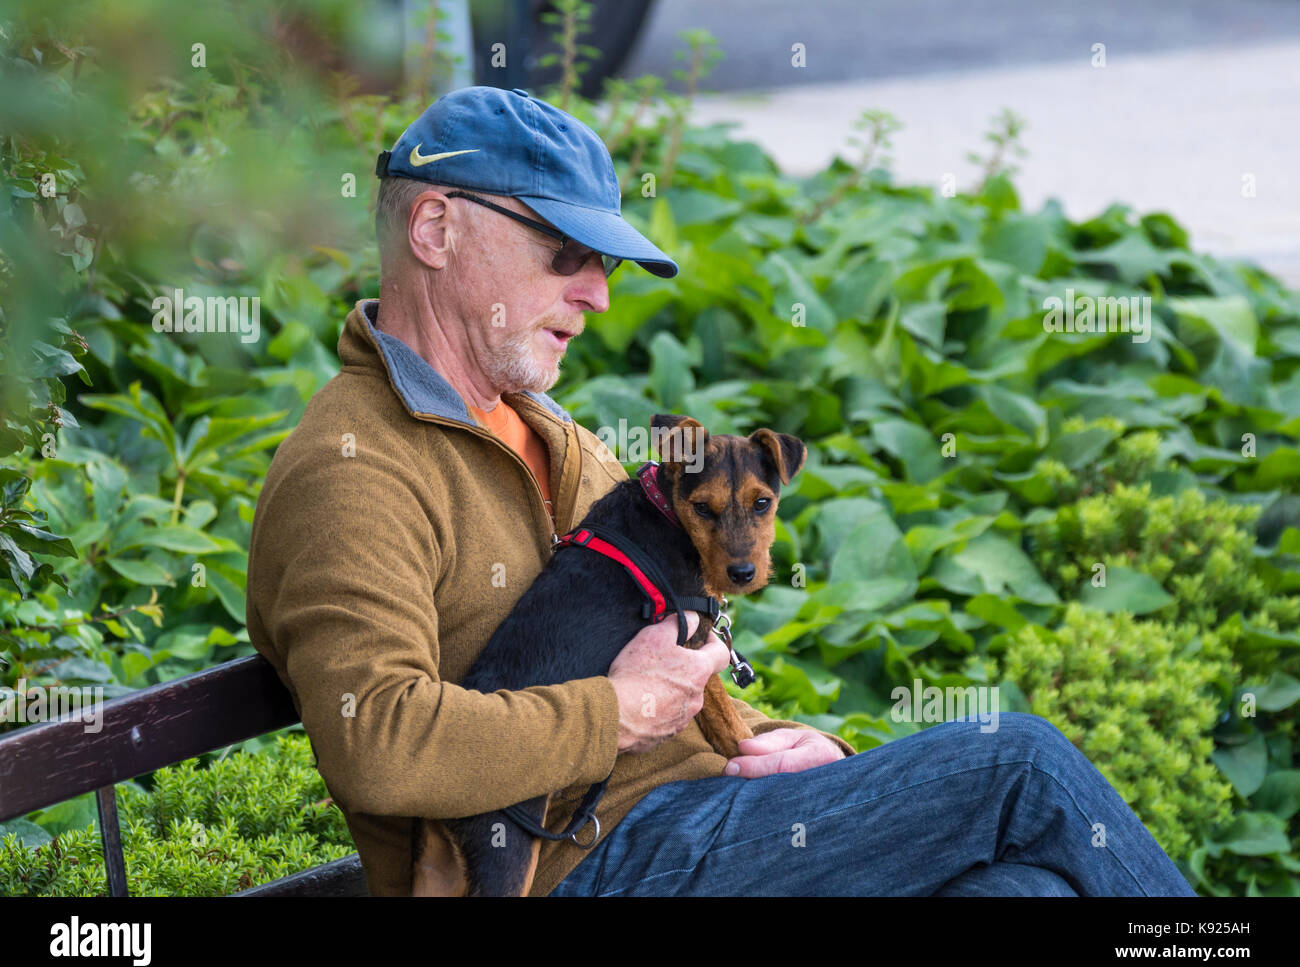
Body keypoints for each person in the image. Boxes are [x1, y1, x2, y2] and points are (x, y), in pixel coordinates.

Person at [245, 86, 1196, 897]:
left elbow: (671, 664)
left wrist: (792, 744)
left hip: (707, 815)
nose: (598, 294)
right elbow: (378, 742)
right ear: (436, 228)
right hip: (579, 860)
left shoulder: (549, 432)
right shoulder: (354, 472)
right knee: (1020, 762)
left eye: (604, 264)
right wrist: (614, 714)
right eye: (564, 252)